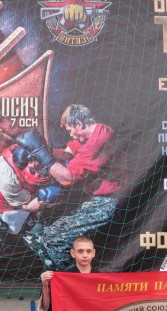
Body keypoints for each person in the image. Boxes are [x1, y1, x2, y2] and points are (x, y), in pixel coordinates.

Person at [16, 104, 126, 269]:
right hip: (98, 201)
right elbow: (67, 153)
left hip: (108, 203)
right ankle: (59, 278)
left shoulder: (98, 141)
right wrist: (44, 150)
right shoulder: (95, 134)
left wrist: (41, 153)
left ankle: (70, 279)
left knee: (53, 239)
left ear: (79, 124)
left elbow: (68, 178)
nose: (71, 135)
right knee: (43, 237)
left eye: (70, 130)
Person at [0, 144, 61, 273]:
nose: (42, 171)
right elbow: (28, 206)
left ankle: (57, 273)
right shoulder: (5, 177)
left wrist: (66, 154)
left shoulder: (28, 151)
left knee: (44, 243)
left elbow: (59, 155)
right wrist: (43, 199)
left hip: (24, 208)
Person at [37, 235, 96, 311]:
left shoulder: (102, 278)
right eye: (80, 251)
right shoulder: (62, 278)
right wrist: (45, 286)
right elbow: (47, 307)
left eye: (88, 251)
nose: (85, 255)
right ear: (73, 253)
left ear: (93, 253)